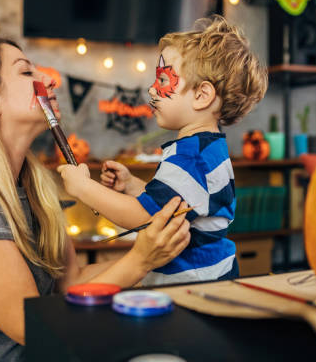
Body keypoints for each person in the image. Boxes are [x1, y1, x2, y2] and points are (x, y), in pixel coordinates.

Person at [0, 38, 191, 361]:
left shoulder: (36, 190)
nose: (50, 79)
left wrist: (158, 259)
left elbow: (72, 283)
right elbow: (29, 323)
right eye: (27, 72)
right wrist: (141, 259)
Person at [58, 16, 268, 285]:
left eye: (164, 80)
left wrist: (82, 187)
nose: (152, 89)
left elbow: (140, 215)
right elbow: (176, 204)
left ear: (202, 95)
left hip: (193, 288)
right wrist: (133, 185)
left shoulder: (192, 156)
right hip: (209, 278)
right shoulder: (207, 147)